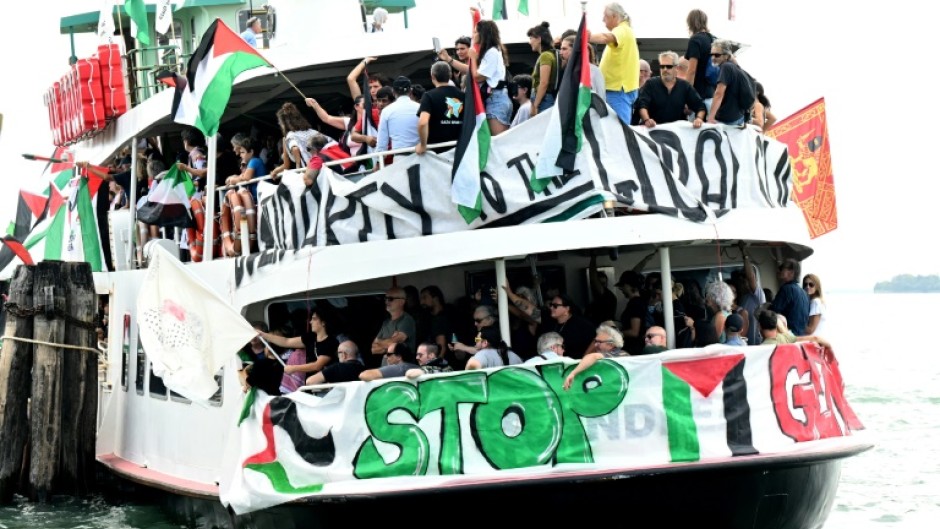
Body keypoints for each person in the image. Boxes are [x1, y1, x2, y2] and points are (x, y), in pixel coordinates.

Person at [438, 16, 512, 135]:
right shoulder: (491, 51)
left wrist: (472, 57)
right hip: (494, 98)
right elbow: (470, 71)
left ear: (484, 34)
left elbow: (477, 76)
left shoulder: (492, 52)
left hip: (496, 99)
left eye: (476, 31)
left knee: (498, 140)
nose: (473, 35)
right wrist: (448, 59)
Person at [589, 3, 639, 125]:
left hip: (617, 90)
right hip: (616, 90)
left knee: (619, 132)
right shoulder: (625, 30)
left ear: (614, 16)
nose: (602, 20)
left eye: (605, 16)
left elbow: (605, 38)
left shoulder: (622, 30)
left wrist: (586, 37)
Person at [259, 309, 338, 384]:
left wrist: (294, 368)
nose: (310, 322)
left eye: (314, 319)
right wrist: (263, 334)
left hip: (326, 385)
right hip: (309, 384)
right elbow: (286, 341)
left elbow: (317, 366)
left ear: (323, 322)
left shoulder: (331, 342)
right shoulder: (310, 337)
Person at [636, 51, 706, 128]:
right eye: (662, 66)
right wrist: (647, 120)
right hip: (653, 130)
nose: (665, 69)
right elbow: (642, 105)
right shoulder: (650, 84)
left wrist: (699, 119)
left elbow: (700, 106)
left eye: (668, 66)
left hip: (677, 132)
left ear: (676, 68)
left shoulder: (684, 86)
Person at [416, 61, 465, 155]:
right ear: (450, 76)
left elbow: (423, 122)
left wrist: (423, 145)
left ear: (432, 76)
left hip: (436, 152)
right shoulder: (464, 95)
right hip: (460, 149)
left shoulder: (428, 96)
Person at [563, 324, 627, 390]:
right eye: (595, 341)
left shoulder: (621, 354)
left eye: (599, 342)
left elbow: (593, 356)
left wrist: (573, 373)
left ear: (611, 344)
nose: (595, 345)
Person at [706, 39, 754, 126]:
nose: (713, 58)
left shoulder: (726, 67)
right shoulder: (734, 67)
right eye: (711, 55)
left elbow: (719, 94)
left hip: (728, 119)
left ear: (726, 56)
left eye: (717, 55)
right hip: (739, 116)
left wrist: (711, 117)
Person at [376, 76, 420, 159]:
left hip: (400, 157)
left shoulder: (386, 111)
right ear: (410, 91)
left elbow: (382, 142)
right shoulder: (420, 107)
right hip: (421, 155)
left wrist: (379, 162)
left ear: (393, 92)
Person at [271, 102, 319, 178]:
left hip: (310, 171)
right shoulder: (313, 132)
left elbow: (294, 150)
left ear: (283, 123)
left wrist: (298, 165)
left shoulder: (289, 136)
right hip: (323, 165)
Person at [370, 286, 417, 362]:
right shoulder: (385, 323)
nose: (386, 302)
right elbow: (373, 349)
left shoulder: (407, 320)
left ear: (402, 302)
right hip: (386, 366)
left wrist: (380, 342)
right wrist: (390, 342)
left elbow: (392, 343)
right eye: (386, 299)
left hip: (402, 366)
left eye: (390, 299)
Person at [683, 9, 717, 112]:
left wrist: (686, 96)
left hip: (699, 96)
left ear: (690, 23)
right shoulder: (713, 39)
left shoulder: (695, 40)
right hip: (712, 95)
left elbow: (692, 70)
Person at [546, 293, 596, 359]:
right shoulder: (550, 323)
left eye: (555, 306)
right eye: (550, 305)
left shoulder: (582, 325)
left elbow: (595, 342)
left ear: (567, 308)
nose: (551, 307)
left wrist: (584, 360)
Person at [770, 258, 810, 335]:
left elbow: (773, 312)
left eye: (782, 268)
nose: (779, 270)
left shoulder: (786, 289)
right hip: (800, 336)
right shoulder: (804, 293)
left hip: (789, 336)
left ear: (791, 273)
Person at [526, 22, 558, 115]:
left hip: (544, 101)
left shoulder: (545, 56)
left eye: (531, 38)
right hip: (545, 99)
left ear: (539, 39)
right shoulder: (550, 55)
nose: (530, 42)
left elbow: (544, 83)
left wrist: (535, 105)